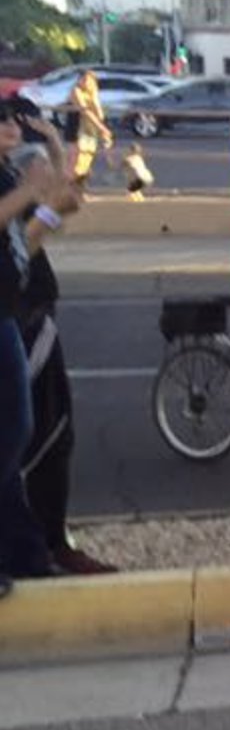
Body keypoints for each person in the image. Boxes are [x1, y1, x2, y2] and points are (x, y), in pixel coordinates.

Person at [2, 123, 85, 595]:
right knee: (20, 437)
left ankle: (38, 548)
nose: (11, 126)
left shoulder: (14, 184)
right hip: (20, 318)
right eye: (4, 121)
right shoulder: (13, 189)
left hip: (23, 314)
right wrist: (42, 200)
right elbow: (27, 237)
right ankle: (37, 546)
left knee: (33, 435)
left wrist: (53, 140)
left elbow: (29, 237)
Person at [62, 71, 111, 185]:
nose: (85, 82)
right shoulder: (75, 91)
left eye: (88, 80)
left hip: (90, 131)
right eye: (82, 79)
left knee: (86, 162)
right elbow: (84, 111)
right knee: (75, 163)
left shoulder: (92, 94)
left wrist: (94, 97)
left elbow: (100, 115)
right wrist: (102, 128)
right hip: (75, 130)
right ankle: (65, 189)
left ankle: (77, 189)